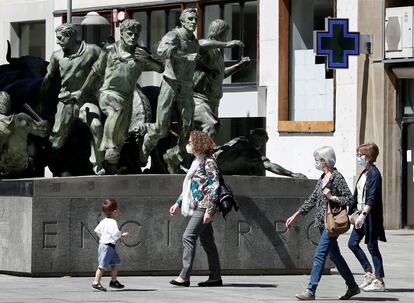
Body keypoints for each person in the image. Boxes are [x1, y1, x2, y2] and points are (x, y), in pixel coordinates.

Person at [77, 19, 163, 172]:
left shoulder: (141, 53)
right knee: (115, 109)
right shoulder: (110, 50)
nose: (133, 37)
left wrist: (148, 59)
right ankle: (108, 145)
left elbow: (160, 69)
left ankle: (110, 165)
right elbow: (95, 72)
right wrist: (82, 91)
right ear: (122, 34)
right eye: (129, 34)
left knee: (122, 137)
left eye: (136, 34)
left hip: (128, 98)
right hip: (107, 93)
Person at [285, 146, 360, 300]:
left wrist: (332, 197)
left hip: (332, 224)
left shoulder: (336, 177)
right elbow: (312, 199)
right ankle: (352, 286)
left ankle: (310, 290)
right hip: (321, 223)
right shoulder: (322, 178)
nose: (316, 162)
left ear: (324, 160)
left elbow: (349, 199)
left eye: (317, 160)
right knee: (336, 256)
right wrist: (296, 215)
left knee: (320, 254)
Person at [40, 23, 105, 175]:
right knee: (56, 139)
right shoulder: (57, 56)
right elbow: (48, 78)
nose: (58, 41)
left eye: (60, 38)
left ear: (69, 36)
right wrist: (41, 101)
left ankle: (98, 165)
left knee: (96, 125)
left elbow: (107, 68)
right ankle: (55, 167)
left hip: (87, 100)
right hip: (66, 102)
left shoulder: (92, 50)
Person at [142, 8, 200, 174]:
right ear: (182, 21)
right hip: (170, 84)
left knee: (189, 124)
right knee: (161, 126)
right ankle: (146, 144)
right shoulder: (174, 35)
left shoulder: (194, 42)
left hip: (186, 86)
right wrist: (183, 56)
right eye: (190, 19)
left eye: (195, 19)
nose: (193, 22)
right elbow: (161, 51)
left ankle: (175, 154)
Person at [169, 130, 222, 287]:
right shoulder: (197, 162)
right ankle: (215, 277)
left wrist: (210, 210)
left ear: (199, 144)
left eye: (191, 142)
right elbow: (192, 187)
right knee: (208, 242)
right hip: (198, 205)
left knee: (188, 236)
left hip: (204, 206)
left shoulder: (209, 162)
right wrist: (177, 203)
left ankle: (184, 276)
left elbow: (214, 186)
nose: (188, 145)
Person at [193, 19, 250, 137]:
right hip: (200, 99)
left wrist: (239, 66)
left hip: (213, 101)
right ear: (217, 32)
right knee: (212, 126)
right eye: (225, 34)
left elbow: (220, 75)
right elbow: (200, 44)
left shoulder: (218, 54)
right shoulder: (206, 49)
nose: (226, 37)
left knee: (205, 132)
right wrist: (227, 44)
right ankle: (203, 155)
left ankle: (196, 153)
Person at [347, 143, 386, 292]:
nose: (358, 157)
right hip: (360, 214)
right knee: (352, 244)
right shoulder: (364, 173)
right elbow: (358, 195)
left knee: (372, 247)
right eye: (358, 154)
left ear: (369, 157)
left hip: (370, 217)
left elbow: (372, 197)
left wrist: (363, 215)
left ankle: (380, 281)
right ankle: (369, 272)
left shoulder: (374, 174)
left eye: (360, 155)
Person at [214, 128, 306, 177]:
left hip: (212, 168)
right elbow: (269, 166)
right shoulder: (252, 152)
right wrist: (291, 174)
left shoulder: (238, 141)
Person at [0, 91, 49, 177]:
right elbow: (43, 132)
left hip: (4, 167)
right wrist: (44, 124)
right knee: (30, 145)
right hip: (20, 166)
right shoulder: (21, 119)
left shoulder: (19, 120)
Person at [92, 198, 129, 292]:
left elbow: (97, 231)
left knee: (114, 264)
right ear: (115, 211)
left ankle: (114, 281)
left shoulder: (103, 221)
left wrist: (101, 237)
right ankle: (96, 282)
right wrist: (122, 234)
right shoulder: (113, 222)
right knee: (102, 266)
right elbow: (115, 233)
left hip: (106, 246)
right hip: (107, 247)